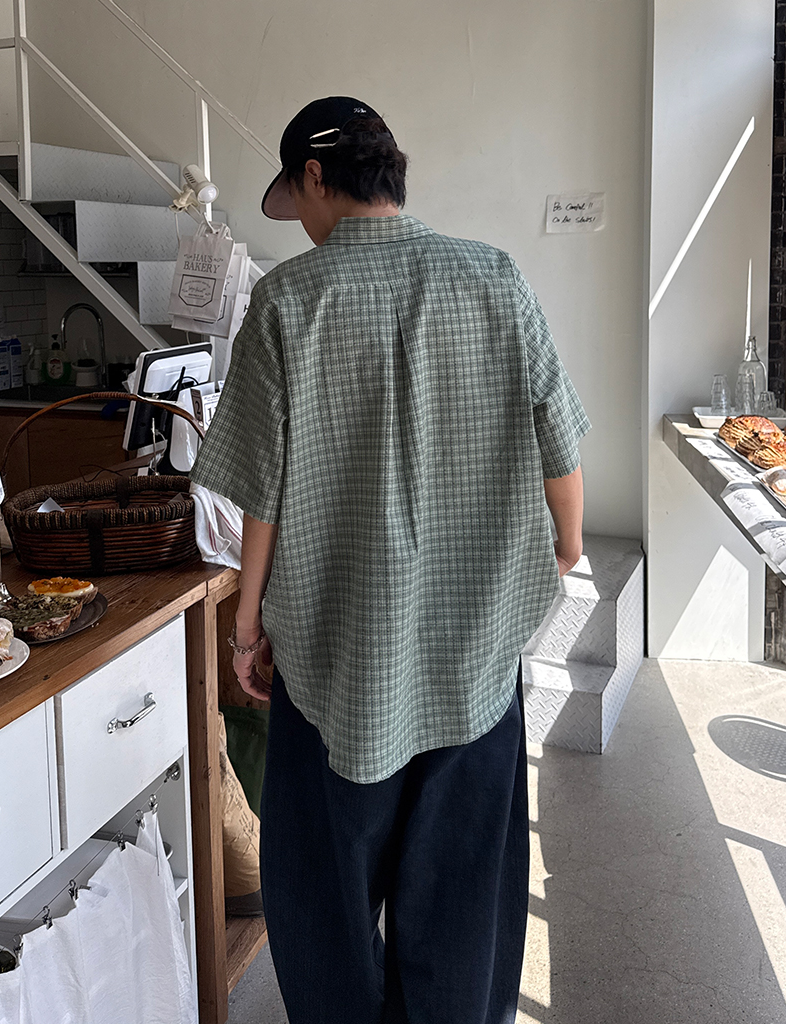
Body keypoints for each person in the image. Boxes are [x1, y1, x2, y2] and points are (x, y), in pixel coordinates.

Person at [190, 95, 589, 1024]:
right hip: (471, 660)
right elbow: (560, 444)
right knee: (463, 897)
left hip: (340, 663)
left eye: (298, 199)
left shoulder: (287, 300)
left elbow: (261, 495)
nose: (302, 220)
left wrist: (247, 626)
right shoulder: (496, 277)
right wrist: (565, 546)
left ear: (317, 178)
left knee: (323, 899)